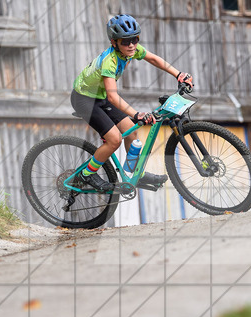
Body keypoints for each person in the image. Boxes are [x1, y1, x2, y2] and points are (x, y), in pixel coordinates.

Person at [70, 14, 193, 192]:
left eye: (135, 39)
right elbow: (113, 97)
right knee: (114, 140)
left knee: (131, 131)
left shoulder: (132, 50)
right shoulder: (110, 61)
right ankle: (86, 174)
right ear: (114, 43)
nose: (131, 45)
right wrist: (136, 114)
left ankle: (135, 174)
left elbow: (153, 59)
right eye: (125, 41)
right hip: (84, 99)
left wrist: (178, 74)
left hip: (100, 96)